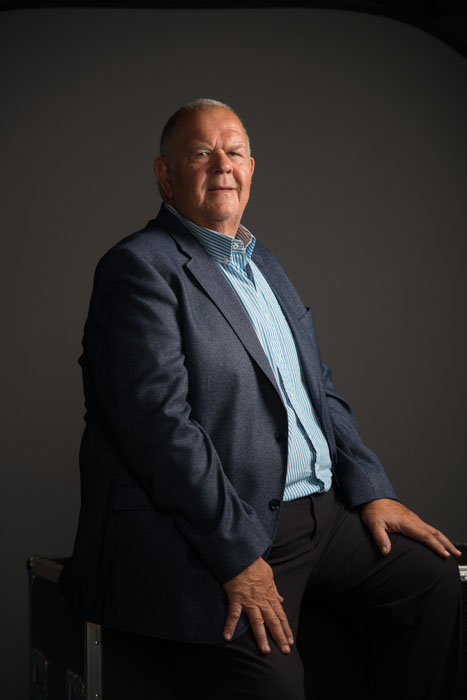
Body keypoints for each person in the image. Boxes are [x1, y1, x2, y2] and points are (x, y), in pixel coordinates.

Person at [59, 98, 462, 700]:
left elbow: (316, 386)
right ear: (166, 175)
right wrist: (237, 555)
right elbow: (159, 432)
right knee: (272, 687)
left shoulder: (263, 264)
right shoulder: (137, 269)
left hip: (319, 515)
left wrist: (373, 489)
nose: (222, 164)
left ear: (251, 169)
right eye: (201, 153)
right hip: (219, 526)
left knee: (432, 583)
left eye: (235, 152)